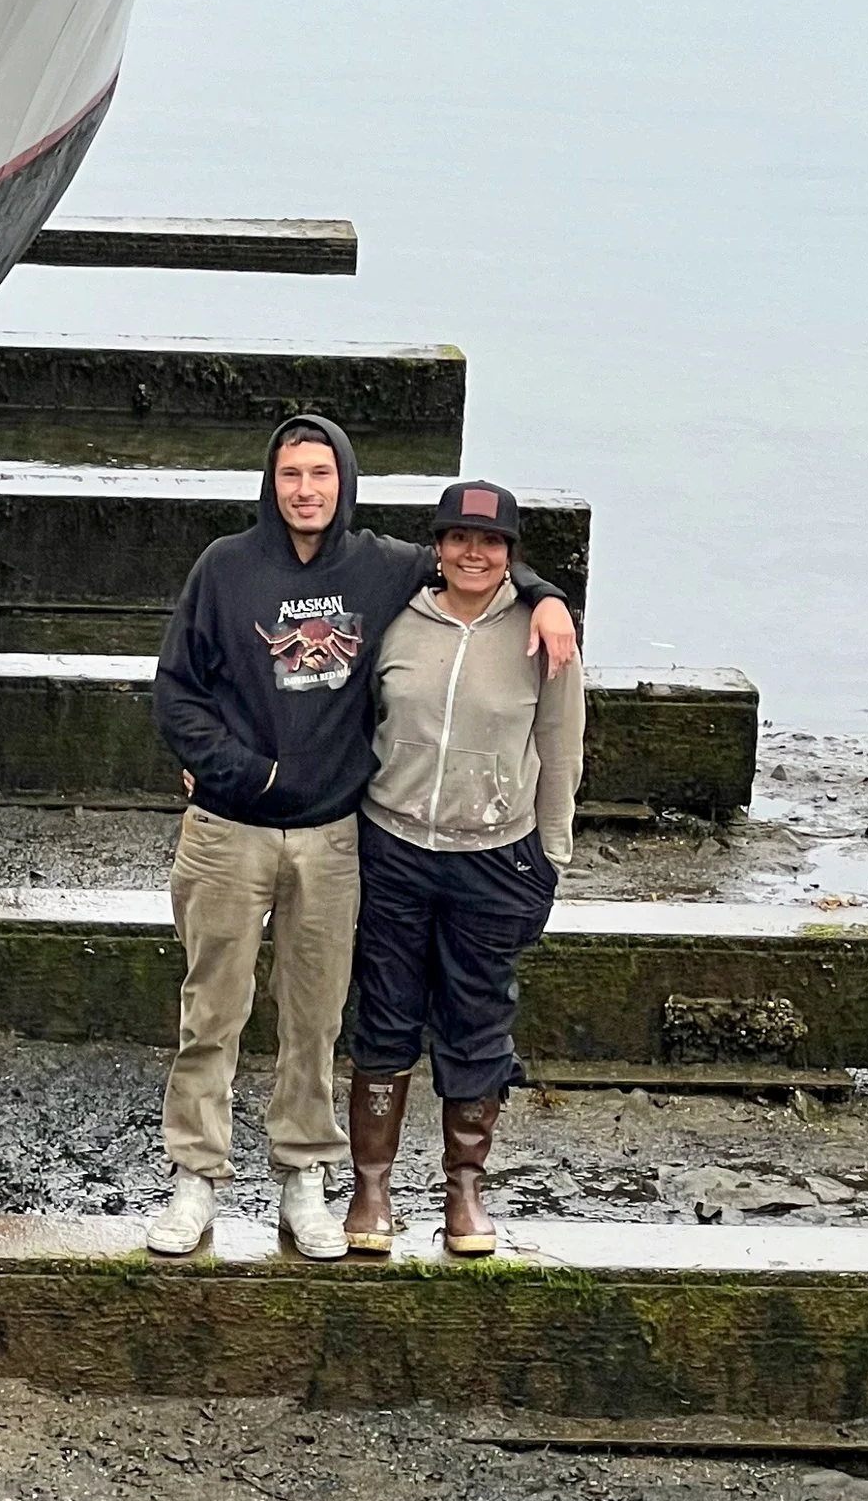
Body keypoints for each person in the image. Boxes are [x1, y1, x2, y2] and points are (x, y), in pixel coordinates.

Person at [146, 417, 576, 1261]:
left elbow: (475, 562)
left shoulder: (382, 567)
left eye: (321, 473)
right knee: (212, 1010)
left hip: (332, 837)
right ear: (271, 483)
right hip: (228, 830)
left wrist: (547, 595)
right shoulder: (223, 567)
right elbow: (175, 693)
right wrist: (243, 771)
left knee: (315, 1020)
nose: (306, 490)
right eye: (291, 474)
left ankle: (303, 1174)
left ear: (345, 480)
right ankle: (195, 1175)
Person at [343, 478, 583, 1261]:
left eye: (490, 541)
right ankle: (371, 1186)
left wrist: (551, 856)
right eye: (458, 538)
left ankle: (464, 1188)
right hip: (393, 845)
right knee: (385, 1014)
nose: (473, 553)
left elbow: (561, 749)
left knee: (478, 1022)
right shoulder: (396, 618)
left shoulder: (543, 634)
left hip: (495, 856)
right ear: (438, 546)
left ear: (510, 553)